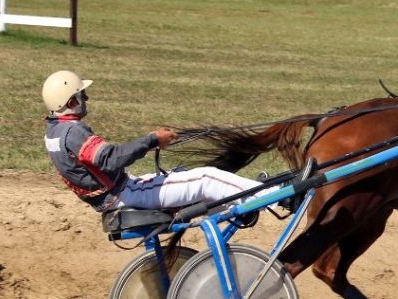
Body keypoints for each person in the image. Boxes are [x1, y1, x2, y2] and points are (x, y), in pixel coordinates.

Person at [42, 70, 263, 213]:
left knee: (185, 175)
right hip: (124, 194)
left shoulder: (54, 132)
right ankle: (273, 196)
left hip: (112, 196)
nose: (86, 99)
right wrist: (152, 139)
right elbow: (111, 159)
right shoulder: (74, 132)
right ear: (71, 101)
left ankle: (246, 206)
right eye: (82, 95)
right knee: (206, 178)